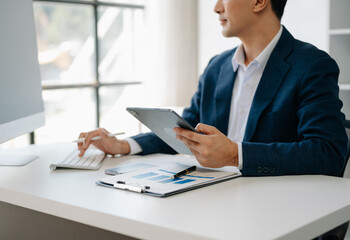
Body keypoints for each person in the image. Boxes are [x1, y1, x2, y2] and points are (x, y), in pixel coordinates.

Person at [78, 0, 348, 177]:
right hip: (212, 198)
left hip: (273, 211)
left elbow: (328, 152)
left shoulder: (312, 65)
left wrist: (234, 154)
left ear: (259, 2)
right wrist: (124, 145)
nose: (216, 7)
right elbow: (187, 130)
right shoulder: (217, 67)